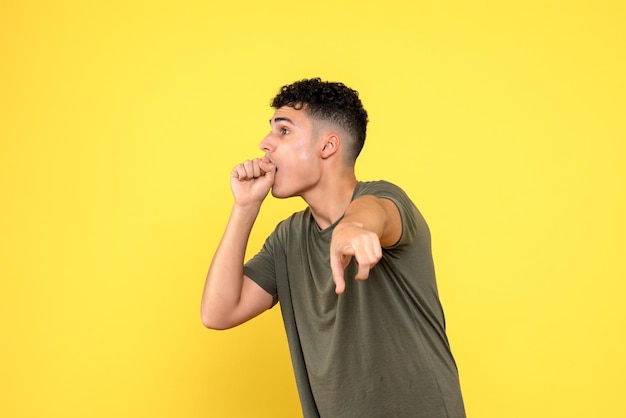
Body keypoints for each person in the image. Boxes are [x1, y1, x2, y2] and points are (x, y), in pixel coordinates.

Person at [201, 78, 466, 417]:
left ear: (327, 146)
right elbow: (218, 313)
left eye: (283, 131)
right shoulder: (288, 239)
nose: (265, 144)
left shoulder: (387, 199)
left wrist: (353, 228)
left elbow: (375, 213)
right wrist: (245, 207)